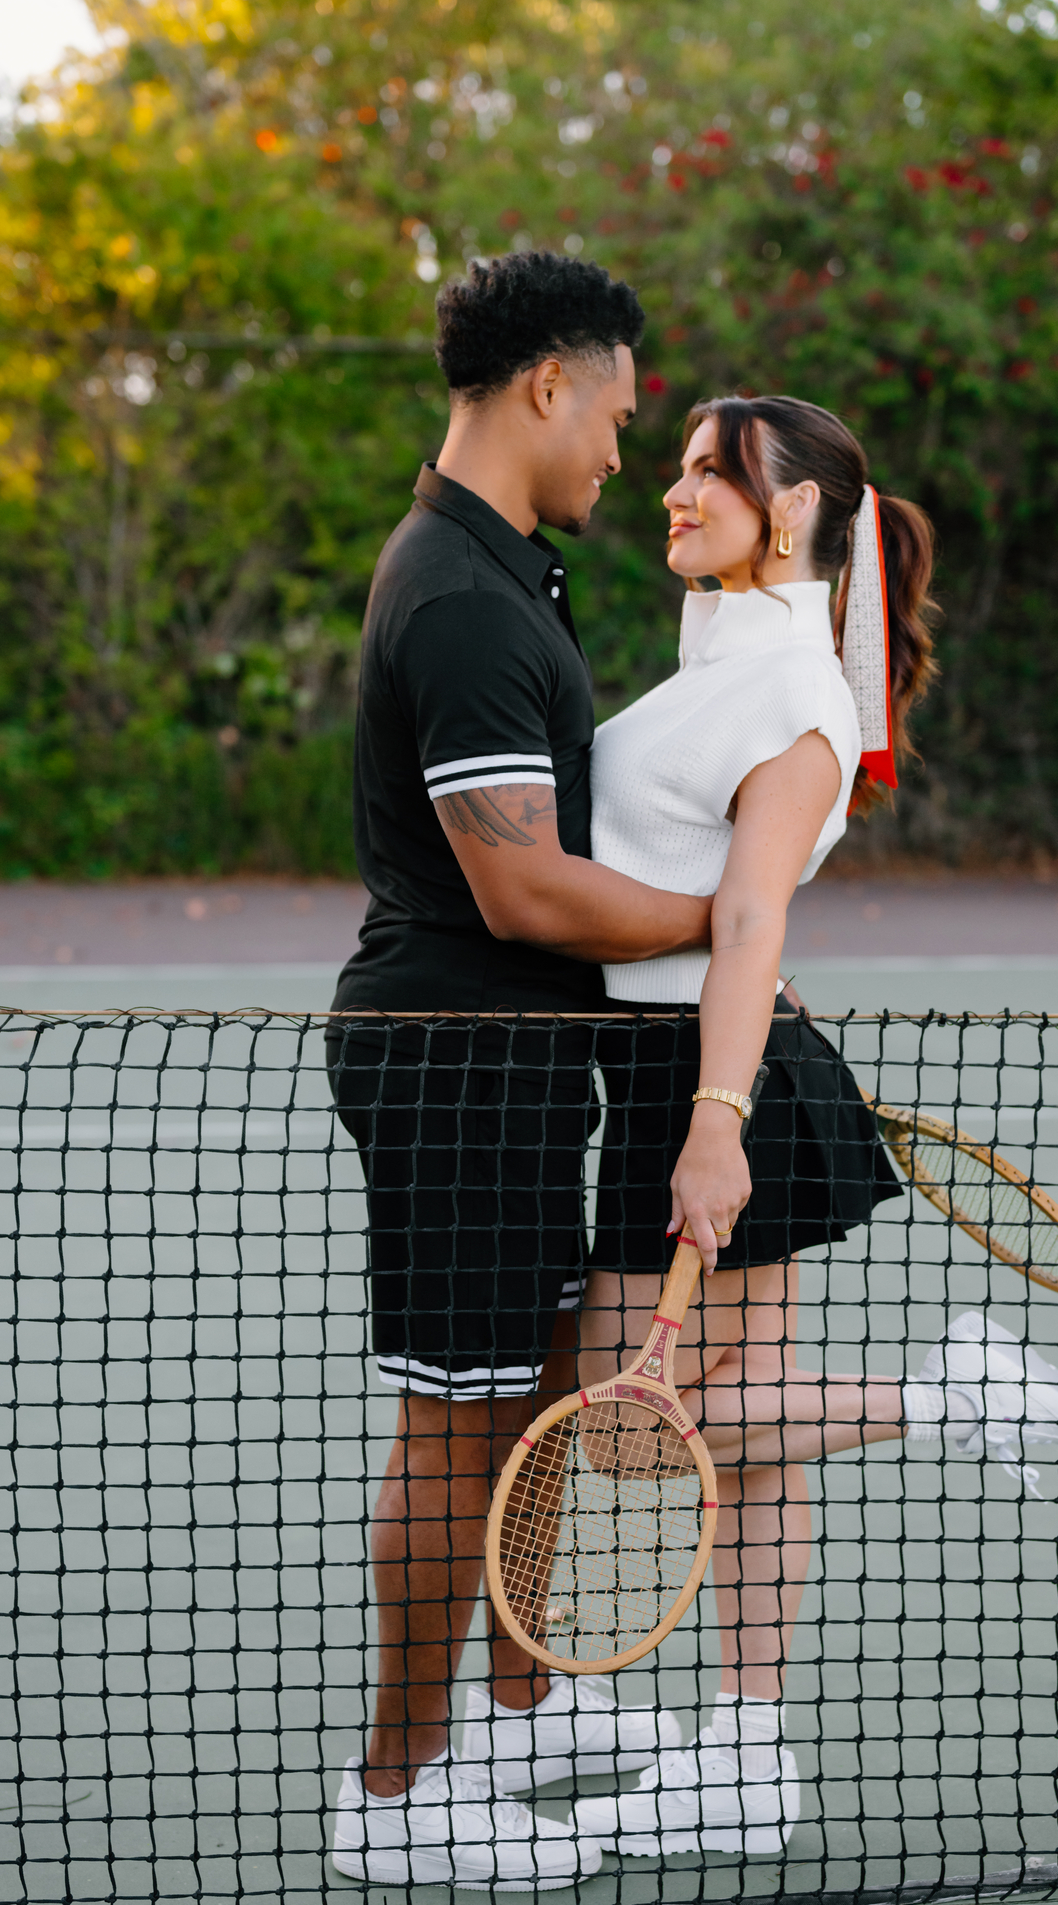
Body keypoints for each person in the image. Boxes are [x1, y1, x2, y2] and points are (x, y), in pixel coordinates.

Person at [569, 395, 1058, 1859]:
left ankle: (951, 1397)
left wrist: (712, 1121)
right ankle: (745, 1758)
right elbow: (713, 893)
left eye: (706, 475)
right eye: (678, 468)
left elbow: (751, 915)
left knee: (639, 1438)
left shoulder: (790, 694)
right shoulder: (728, 666)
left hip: (711, 1089)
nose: (672, 494)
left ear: (793, 508)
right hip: (700, 1065)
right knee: (751, 1432)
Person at [326, 252, 718, 1890]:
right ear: (545, 385)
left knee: (543, 1384)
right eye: (619, 416)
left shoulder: (503, 568)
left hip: (511, 1054)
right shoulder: (467, 600)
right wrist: (727, 920)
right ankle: (397, 1801)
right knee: (457, 1425)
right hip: (453, 1056)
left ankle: (513, 1712)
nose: (625, 458)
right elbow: (524, 886)